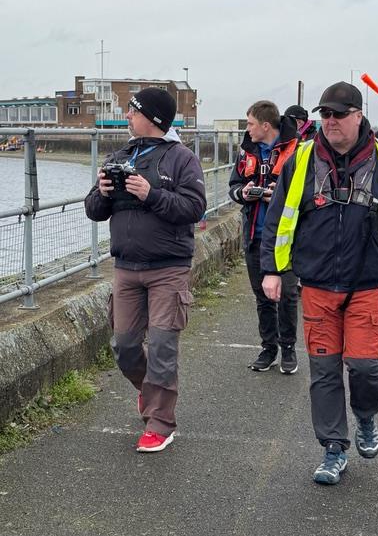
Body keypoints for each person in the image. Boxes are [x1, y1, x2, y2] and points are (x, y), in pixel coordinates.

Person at [260, 81, 378, 485]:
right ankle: (333, 449)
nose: (329, 121)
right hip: (315, 286)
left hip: (364, 285)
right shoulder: (301, 160)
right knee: (324, 371)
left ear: (358, 115)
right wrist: (273, 269)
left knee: (365, 367)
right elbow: (279, 218)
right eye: (325, 115)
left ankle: (366, 417)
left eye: (338, 114)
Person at [85, 87, 206, 453]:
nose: (127, 118)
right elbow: (92, 209)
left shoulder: (182, 158)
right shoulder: (120, 155)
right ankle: (149, 393)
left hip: (168, 267)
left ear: (152, 118)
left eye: (132, 112)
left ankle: (160, 423)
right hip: (126, 267)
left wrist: (150, 194)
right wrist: (104, 192)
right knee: (123, 346)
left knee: (164, 346)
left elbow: (194, 208)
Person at [228, 100, 300, 374]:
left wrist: (278, 194)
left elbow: (306, 191)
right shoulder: (246, 152)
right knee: (262, 296)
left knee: (288, 294)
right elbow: (233, 185)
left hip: (285, 238)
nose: (247, 129)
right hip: (254, 235)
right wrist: (243, 193)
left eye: (250, 124)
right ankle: (269, 348)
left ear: (265, 125)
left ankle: (289, 349)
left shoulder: (297, 151)